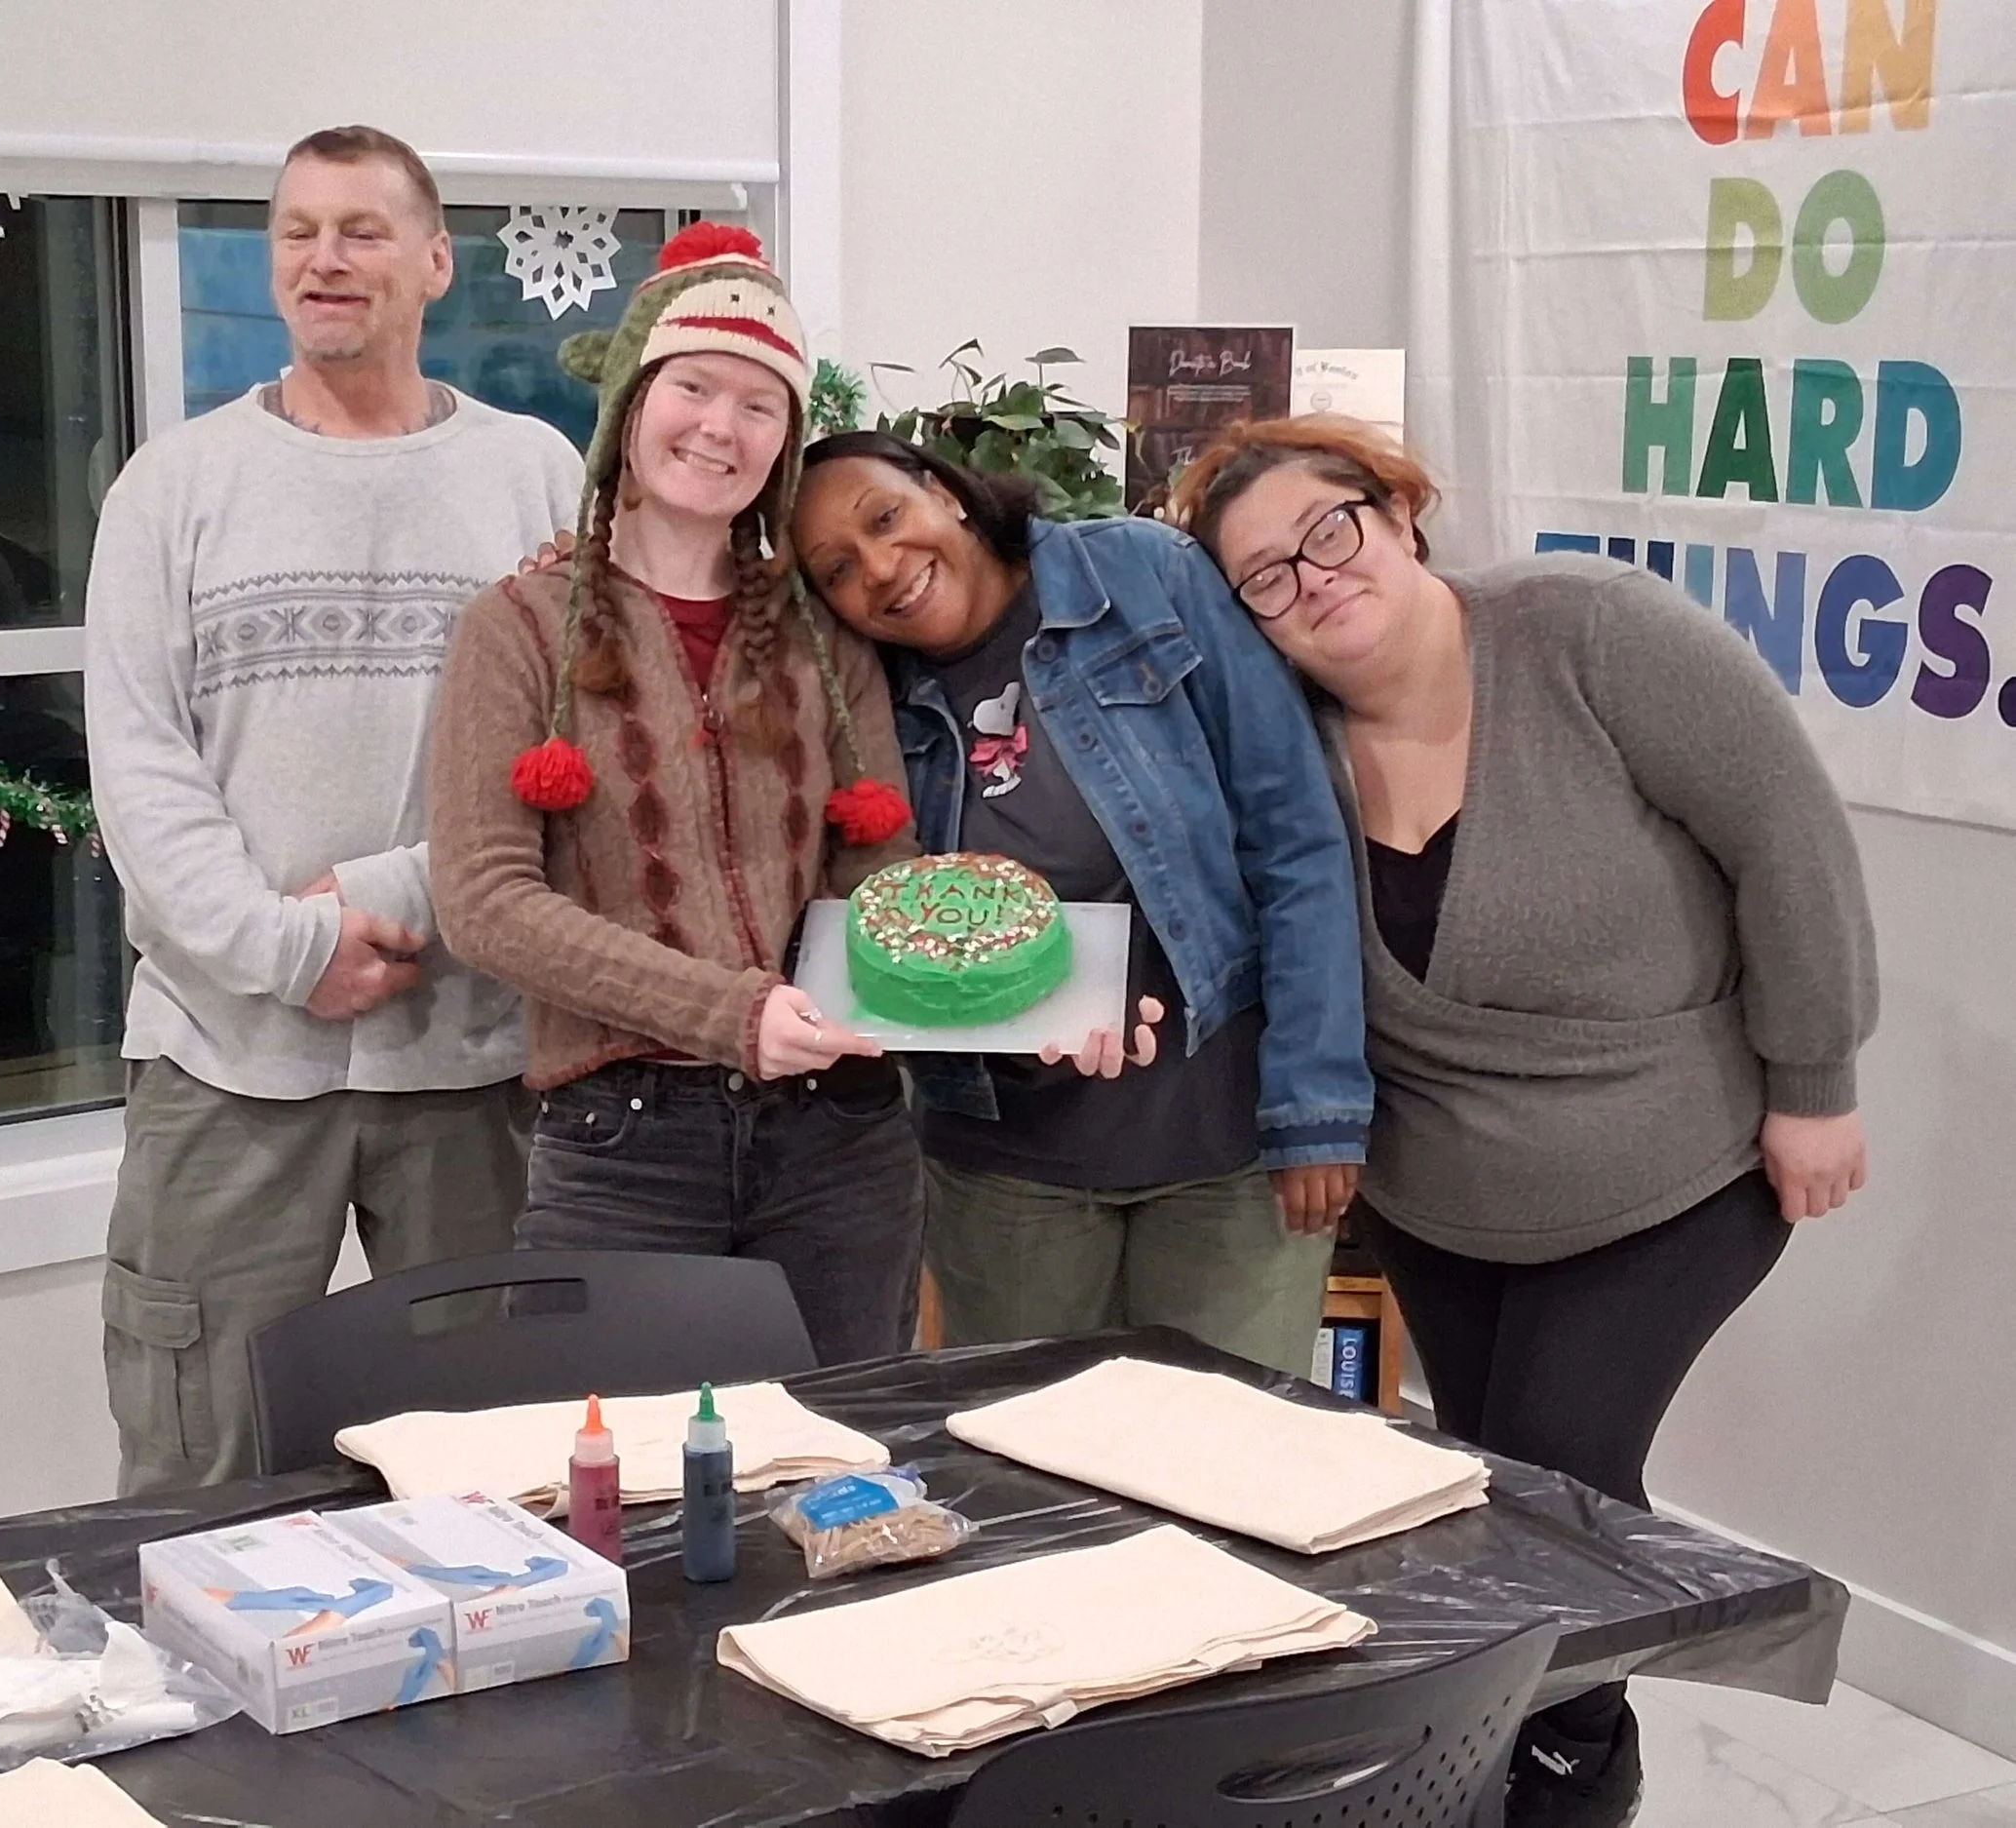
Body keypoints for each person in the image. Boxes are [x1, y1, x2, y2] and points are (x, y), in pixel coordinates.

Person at [1174, 414, 1879, 1827]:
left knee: (1560, 1488)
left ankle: (1565, 1770)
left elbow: (1788, 837)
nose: (1312, 576)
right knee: (1484, 1499)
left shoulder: (1590, 633)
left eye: (1332, 527)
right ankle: (1499, 1759)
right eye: (1263, 575)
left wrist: (1815, 1083)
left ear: (1400, 511)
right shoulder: (1287, 750)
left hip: (1674, 1166)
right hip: (1445, 1199)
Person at [84, 126, 582, 1494]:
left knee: (497, 1466)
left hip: (470, 1057)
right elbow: (139, 770)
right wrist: (291, 949)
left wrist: (396, 898)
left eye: (362, 230)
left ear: (434, 263)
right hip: (225, 1062)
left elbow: (565, 752)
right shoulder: (171, 489)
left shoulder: (536, 476)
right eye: (298, 231)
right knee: (200, 1467)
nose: (325, 259)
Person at [426, 224, 934, 1365]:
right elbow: (484, 900)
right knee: (623, 1497)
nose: (720, 427)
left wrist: (1012, 1004)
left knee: (846, 1470)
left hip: (840, 1142)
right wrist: (731, 1013)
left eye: (761, 405)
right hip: (624, 1148)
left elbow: (875, 870)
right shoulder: (513, 631)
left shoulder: (820, 631)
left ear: (787, 443)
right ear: (628, 406)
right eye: (692, 386)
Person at [791, 432, 1373, 1378]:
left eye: (886, 518)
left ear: (943, 491)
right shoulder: (857, 693)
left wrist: (1317, 1103)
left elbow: (1295, 833)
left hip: (1223, 1146)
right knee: (1032, 1488)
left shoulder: (1140, 575)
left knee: (1224, 1474)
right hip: (1006, 1173)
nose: (882, 569)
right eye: (837, 570)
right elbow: (879, 922)